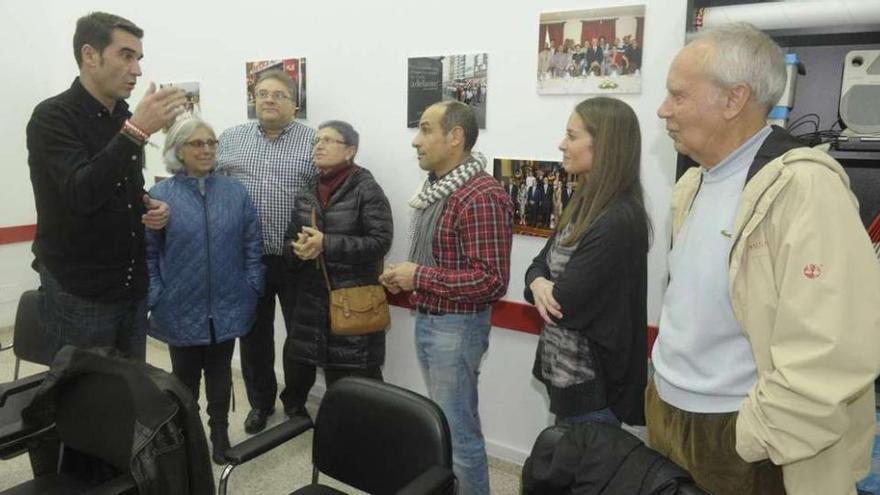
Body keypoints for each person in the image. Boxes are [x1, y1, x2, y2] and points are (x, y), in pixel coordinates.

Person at [649, 22, 880, 495]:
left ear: (733, 100)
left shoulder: (805, 187)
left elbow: (835, 343)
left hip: (741, 433)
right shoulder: (692, 183)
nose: (663, 110)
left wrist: (757, 434)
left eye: (678, 95)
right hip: (670, 413)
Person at [26, 12, 186, 361]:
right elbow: (81, 193)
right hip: (79, 290)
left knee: (128, 396)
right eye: (126, 55)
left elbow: (121, 187)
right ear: (89, 55)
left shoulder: (121, 116)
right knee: (83, 401)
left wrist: (147, 203)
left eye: (139, 58)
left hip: (130, 286)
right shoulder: (52, 117)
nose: (137, 70)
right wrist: (137, 131)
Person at [379, 101, 513, 495]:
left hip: (455, 329)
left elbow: (491, 281)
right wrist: (409, 279)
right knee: (448, 430)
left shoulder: (479, 195)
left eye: (425, 130)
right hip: (435, 321)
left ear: (455, 137)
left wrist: (417, 274)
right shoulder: (440, 189)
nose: (415, 142)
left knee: (460, 436)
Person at [525, 97, 650, 428]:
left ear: (604, 144)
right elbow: (536, 267)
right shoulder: (583, 205)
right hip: (568, 379)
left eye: (572, 135)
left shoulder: (618, 218)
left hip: (594, 389)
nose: (562, 145)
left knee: (580, 477)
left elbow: (564, 302)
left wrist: (542, 284)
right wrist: (538, 282)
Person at [146, 118, 264, 465]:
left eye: (211, 142)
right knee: (183, 379)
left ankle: (219, 434)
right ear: (178, 150)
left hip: (228, 301)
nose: (207, 149)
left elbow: (251, 243)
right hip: (179, 304)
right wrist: (156, 294)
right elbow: (148, 254)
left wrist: (252, 284)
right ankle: (186, 436)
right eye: (197, 143)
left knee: (220, 372)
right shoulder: (160, 196)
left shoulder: (234, 191)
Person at [215, 69, 317, 434]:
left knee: (300, 336)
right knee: (253, 336)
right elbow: (210, 186)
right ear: (253, 98)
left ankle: (296, 402)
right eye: (262, 93)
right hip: (246, 259)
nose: (269, 99)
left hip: (297, 258)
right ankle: (260, 403)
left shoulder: (314, 141)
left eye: (278, 94)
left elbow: (330, 196)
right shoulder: (230, 139)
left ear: (294, 103)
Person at [280, 120, 393, 414]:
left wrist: (327, 244)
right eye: (317, 140)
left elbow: (380, 242)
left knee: (354, 388)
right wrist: (298, 250)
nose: (319, 145)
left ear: (350, 151)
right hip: (310, 301)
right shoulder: (307, 190)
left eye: (329, 140)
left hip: (352, 302)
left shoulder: (366, 189)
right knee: (298, 372)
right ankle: (297, 418)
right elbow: (289, 240)